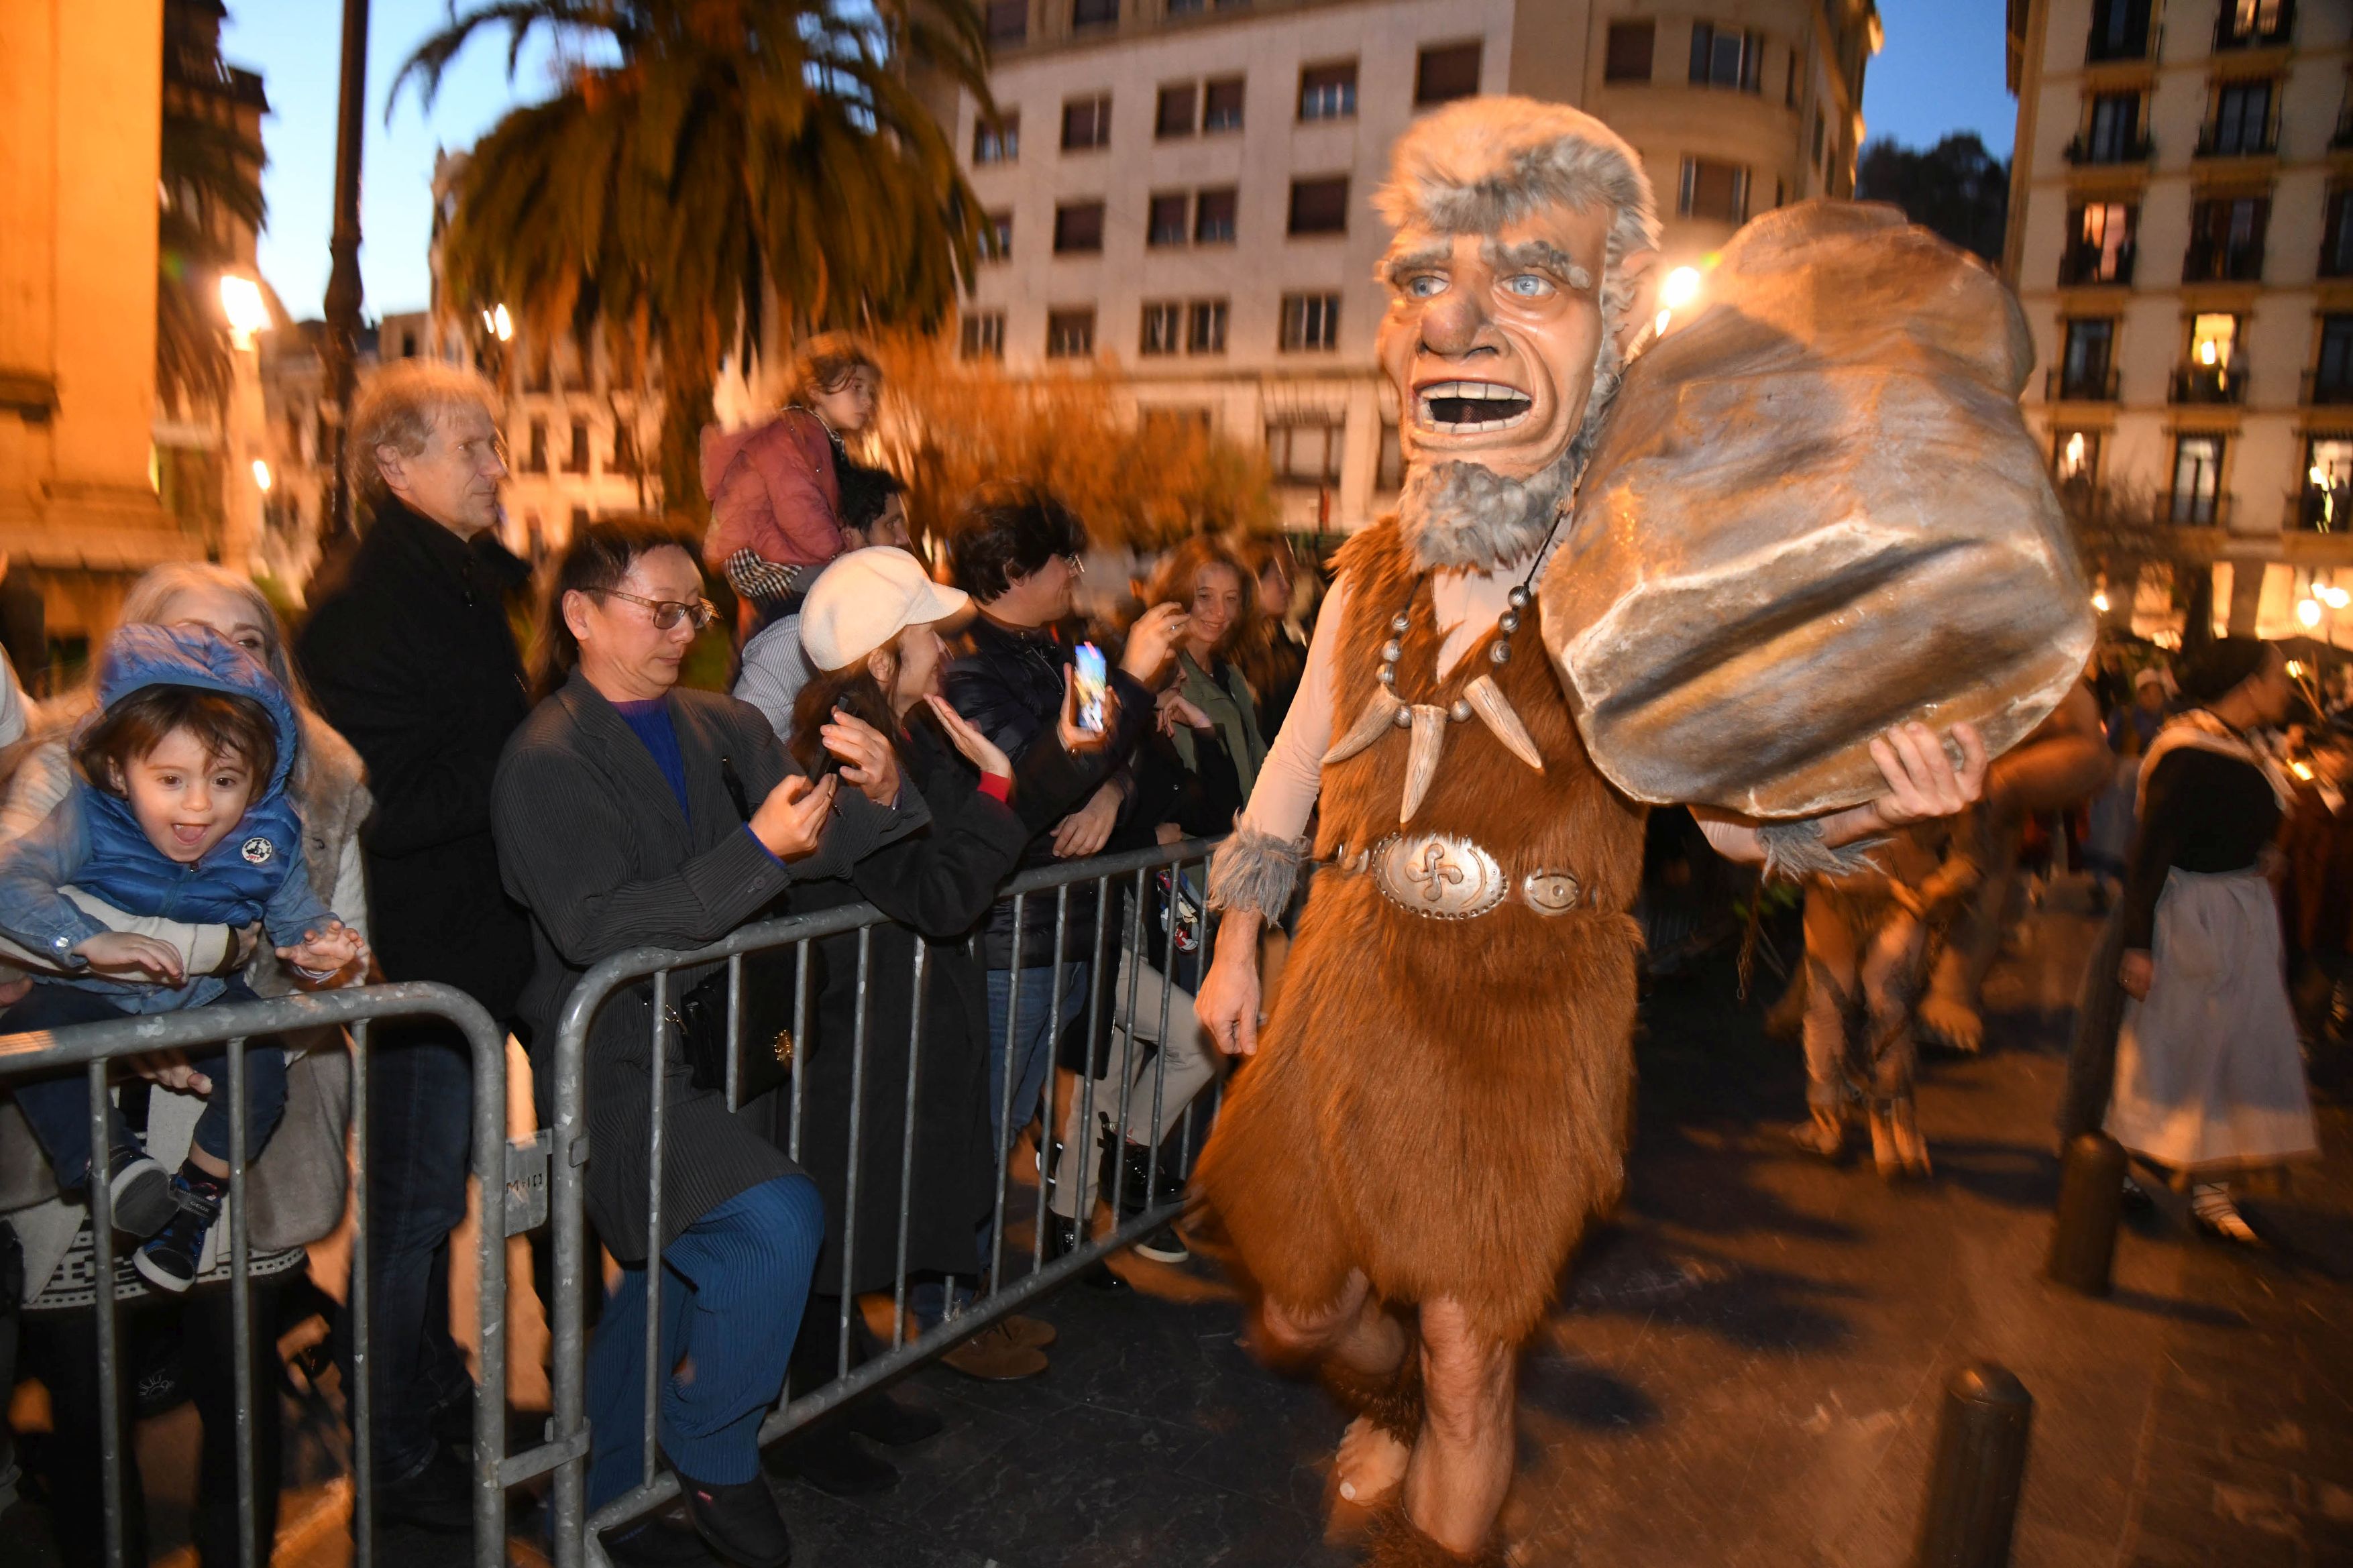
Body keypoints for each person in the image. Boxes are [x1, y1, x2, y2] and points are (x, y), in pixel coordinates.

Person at [1189, 99, 1988, 1565]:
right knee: (1299, 1306)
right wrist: (1238, 938)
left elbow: (1746, 835)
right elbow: (1292, 763)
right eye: (1426, 280)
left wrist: (1887, 798)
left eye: (1525, 283)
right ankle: (1389, 1404)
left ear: (1609, 324)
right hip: (1348, 975)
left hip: (1527, 1006)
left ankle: (1438, 1487)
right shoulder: (1367, 569)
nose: (1457, 321)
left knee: (1465, 1353)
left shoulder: (1633, 593)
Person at [494, 521, 915, 1568]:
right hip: (620, 1061)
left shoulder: (721, 722)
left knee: (674, 1278)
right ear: (582, 615)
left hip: (727, 1037)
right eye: (662, 608)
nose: (687, 629)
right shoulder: (543, 757)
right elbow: (594, 925)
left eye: (697, 610)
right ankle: (711, 1445)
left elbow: (822, 853)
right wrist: (756, 850)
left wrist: (881, 788)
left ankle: (581, 1496)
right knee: (773, 1221)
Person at [0, 565, 374, 1567]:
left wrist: (328, 962)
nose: (223, 660)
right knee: (89, 1394)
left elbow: (330, 949)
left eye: (248, 640)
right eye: (192, 635)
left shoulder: (313, 785)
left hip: (236, 1113)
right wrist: (92, 971)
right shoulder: (61, 775)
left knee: (240, 1385)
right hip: (72, 1108)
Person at [767, 547, 1113, 1490]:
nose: (945, 643)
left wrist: (1025, 774)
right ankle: (801, 1419)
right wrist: (998, 789)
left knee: (855, 1210)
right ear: (884, 655)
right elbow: (944, 890)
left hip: (894, 1019)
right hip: (850, 1026)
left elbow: (971, 837)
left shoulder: (910, 733)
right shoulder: (849, 749)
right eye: (926, 631)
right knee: (830, 1212)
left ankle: (845, 1385)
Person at [296, 358, 537, 1533]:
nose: (498, 464)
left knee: (432, 1202)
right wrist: (524, 760)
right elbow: (373, 799)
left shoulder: (461, 578)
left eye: (494, 443)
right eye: (473, 446)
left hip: (468, 949)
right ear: (395, 466)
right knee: (404, 1211)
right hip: (411, 957)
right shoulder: (363, 606)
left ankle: (437, 1390)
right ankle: (394, 1447)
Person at [0, 624, 367, 1289]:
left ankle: (193, 1203)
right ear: (119, 770)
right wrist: (85, 941)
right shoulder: (89, 817)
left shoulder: (268, 836)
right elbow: (7, 883)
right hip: (91, 991)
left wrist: (321, 945)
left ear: (258, 780)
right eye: (171, 779)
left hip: (198, 995)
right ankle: (106, 1164)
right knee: (34, 1037)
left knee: (258, 1064)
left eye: (225, 780)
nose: (198, 805)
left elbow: (295, 920)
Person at [942, 488, 1178, 1237]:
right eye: (1063, 560)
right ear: (1014, 570)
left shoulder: (1060, 649)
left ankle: (971, 1301)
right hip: (1015, 937)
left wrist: (1112, 786)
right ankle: (948, 1304)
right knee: (982, 1125)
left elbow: (1111, 752)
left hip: (1070, 931)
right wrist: (1134, 681)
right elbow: (1032, 784)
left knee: (1015, 1115)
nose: (1077, 573)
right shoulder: (969, 671)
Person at [1044, 540, 1260, 1268]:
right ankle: (1070, 1236)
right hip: (1097, 920)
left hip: (1143, 916)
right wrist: (1125, 787)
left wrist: (1192, 735)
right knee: (1103, 1074)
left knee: (1175, 1047)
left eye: (1230, 600)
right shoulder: (1095, 662)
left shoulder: (1184, 692)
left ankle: (1104, 1211)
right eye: (1201, 597)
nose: (1216, 616)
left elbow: (1217, 806)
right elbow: (1077, 778)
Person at [2101, 638, 2318, 1242]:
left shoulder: (2243, 749)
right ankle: (2119, 1163)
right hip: (2190, 917)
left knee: (2238, 1051)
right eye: (2279, 675)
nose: (2287, 687)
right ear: (2249, 682)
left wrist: (2265, 855)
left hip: (2242, 916)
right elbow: (2149, 852)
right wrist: (2139, 944)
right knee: (2169, 1049)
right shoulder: (2188, 753)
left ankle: (2213, 1191)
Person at [701, 334, 881, 631]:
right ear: (815, 391)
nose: (868, 401)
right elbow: (797, 503)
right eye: (857, 388)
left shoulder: (816, 437)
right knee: (849, 592)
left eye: (871, 392)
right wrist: (837, 551)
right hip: (757, 559)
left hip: (776, 548)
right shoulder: (793, 436)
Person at [734, 463, 913, 742]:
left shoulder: (858, 620)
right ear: (848, 537)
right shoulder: (796, 631)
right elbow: (743, 746)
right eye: (891, 524)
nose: (905, 539)